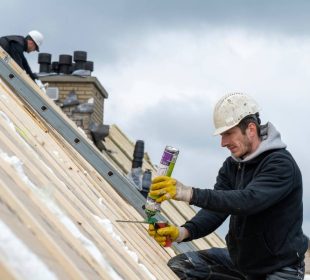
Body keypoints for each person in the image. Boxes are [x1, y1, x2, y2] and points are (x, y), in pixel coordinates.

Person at [148, 92, 308, 280]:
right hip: (241, 263)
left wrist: (188, 193)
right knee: (182, 267)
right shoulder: (232, 166)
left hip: (278, 269)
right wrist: (182, 233)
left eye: (228, 134)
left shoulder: (280, 165)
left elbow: (248, 201)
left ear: (250, 129)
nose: (223, 143)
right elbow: (217, 210)